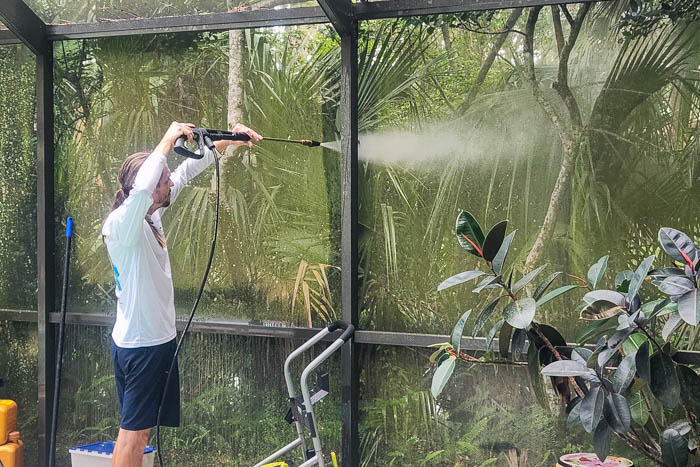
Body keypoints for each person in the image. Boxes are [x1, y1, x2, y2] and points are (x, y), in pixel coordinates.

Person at [102, 121, 262, 467]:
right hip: (141, 346)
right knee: (133, 435)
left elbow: (185, 172)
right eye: (161, 182)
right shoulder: (122, 225)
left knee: (137, 433)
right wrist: (167, 137)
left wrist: (227, 142)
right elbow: (147, 185)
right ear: (140, 189)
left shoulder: (149, 215)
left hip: (153, 343)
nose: (168, 184)